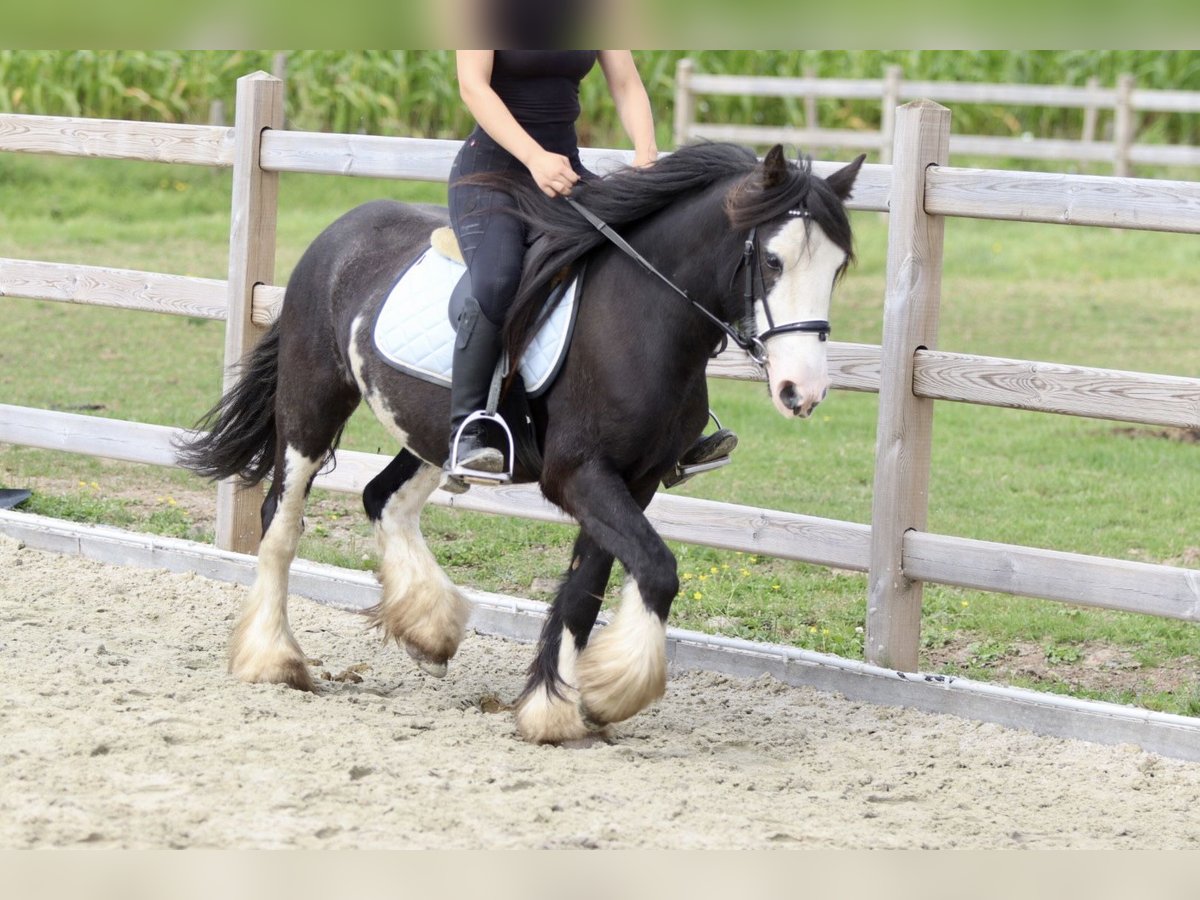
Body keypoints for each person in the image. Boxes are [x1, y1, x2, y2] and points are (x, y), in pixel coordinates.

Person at [445, 49, 736, 489]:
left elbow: (625, 82)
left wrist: (646, 155)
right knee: (498, 279)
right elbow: (474, 87)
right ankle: (468, 430)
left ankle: (680, 426)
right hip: (494, 176)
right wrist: (534, 157)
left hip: (563, 173)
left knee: (647, 257)